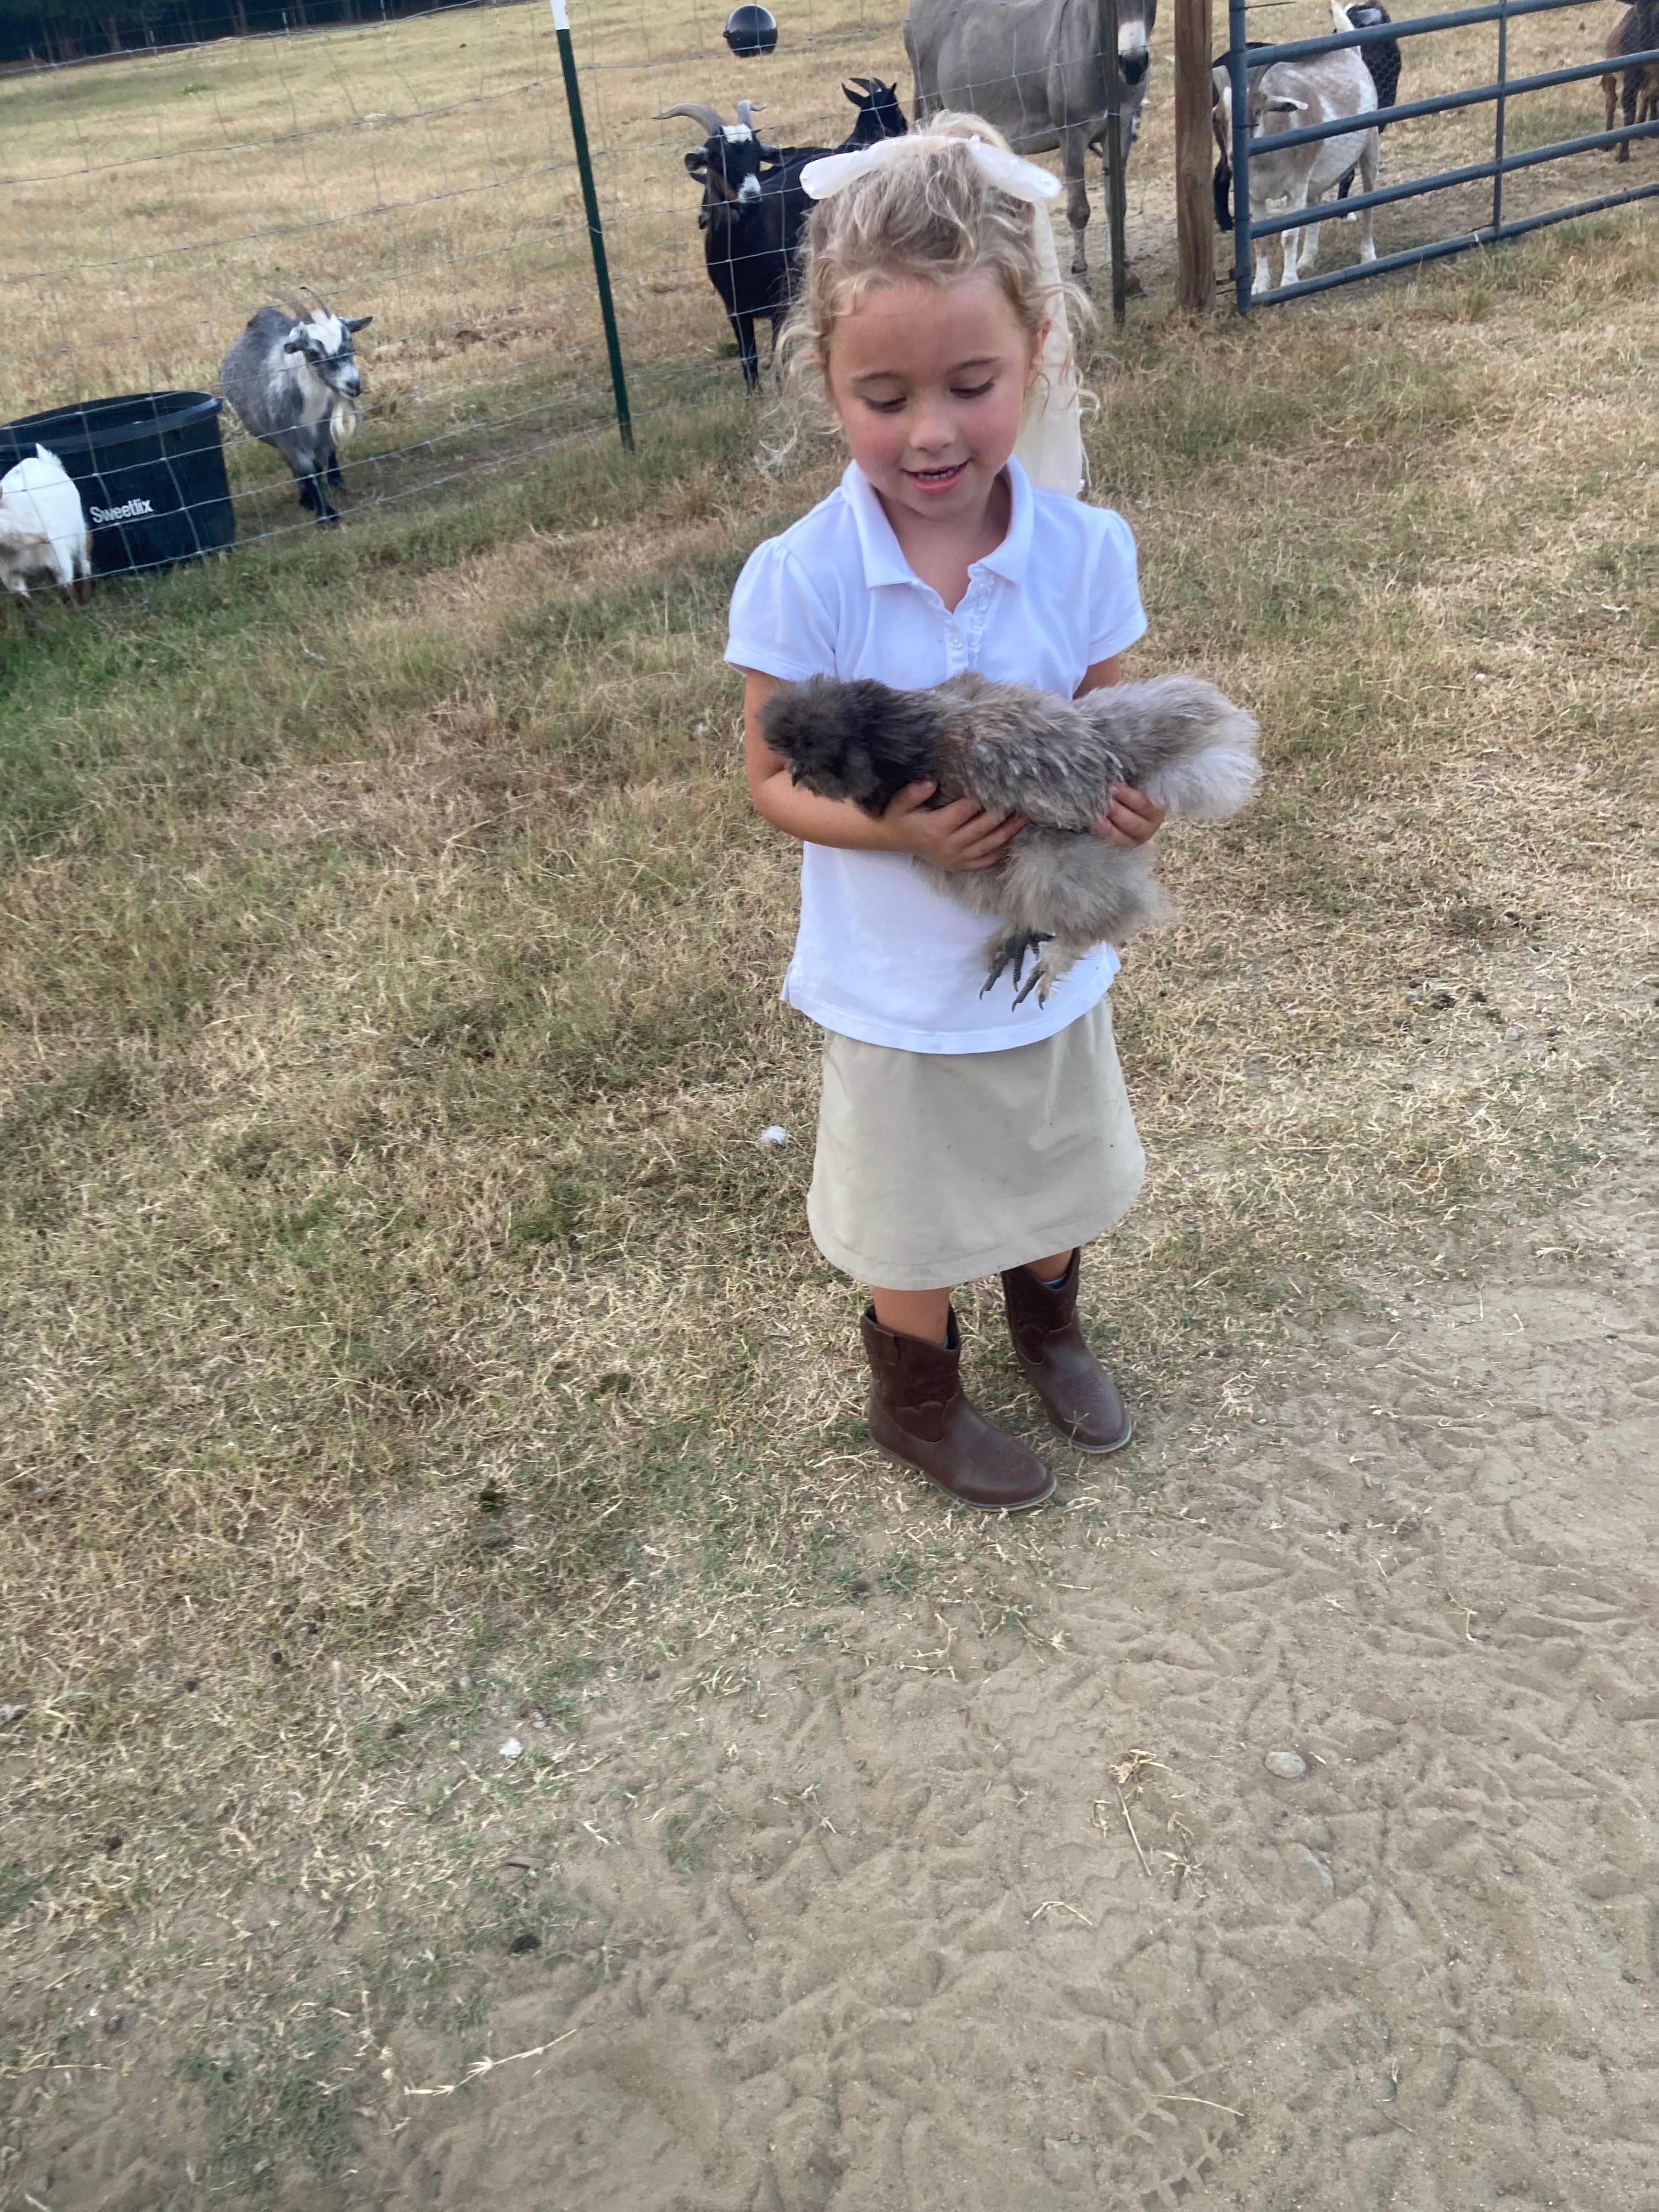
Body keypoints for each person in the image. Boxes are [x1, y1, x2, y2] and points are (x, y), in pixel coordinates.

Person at [725, 117, 1166, 1514]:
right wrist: (908, 835)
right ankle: (915, 1397)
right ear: (824, 383)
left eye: (972, 384)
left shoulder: (1085, 549)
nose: (929, 432)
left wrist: (1125, 804)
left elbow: (1106, 725)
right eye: (883, 394)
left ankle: (1054, 1328)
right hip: (894, 981)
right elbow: (770, 779)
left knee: (1045, 1154)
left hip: (1039, 957)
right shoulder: (801, 578)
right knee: (912, 1205)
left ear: (1037, 358)